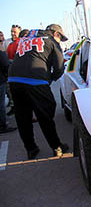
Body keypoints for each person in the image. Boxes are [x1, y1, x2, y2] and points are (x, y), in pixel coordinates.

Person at [8, 24, 69, 159]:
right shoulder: (52, 41)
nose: (61, 41)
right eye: (61, 38)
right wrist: (49, 79)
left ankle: (31, 149)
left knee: (23, 117)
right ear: (56, 34)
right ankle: (56, 147)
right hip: (35, 79)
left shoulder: (26, 38)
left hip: (13, 79)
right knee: (45, 114)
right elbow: (59, 68)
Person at [0, 50, 16, 134]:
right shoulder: (1, 53)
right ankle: (2, 125)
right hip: (1, 80)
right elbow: (6, 65)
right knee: (1, 105)